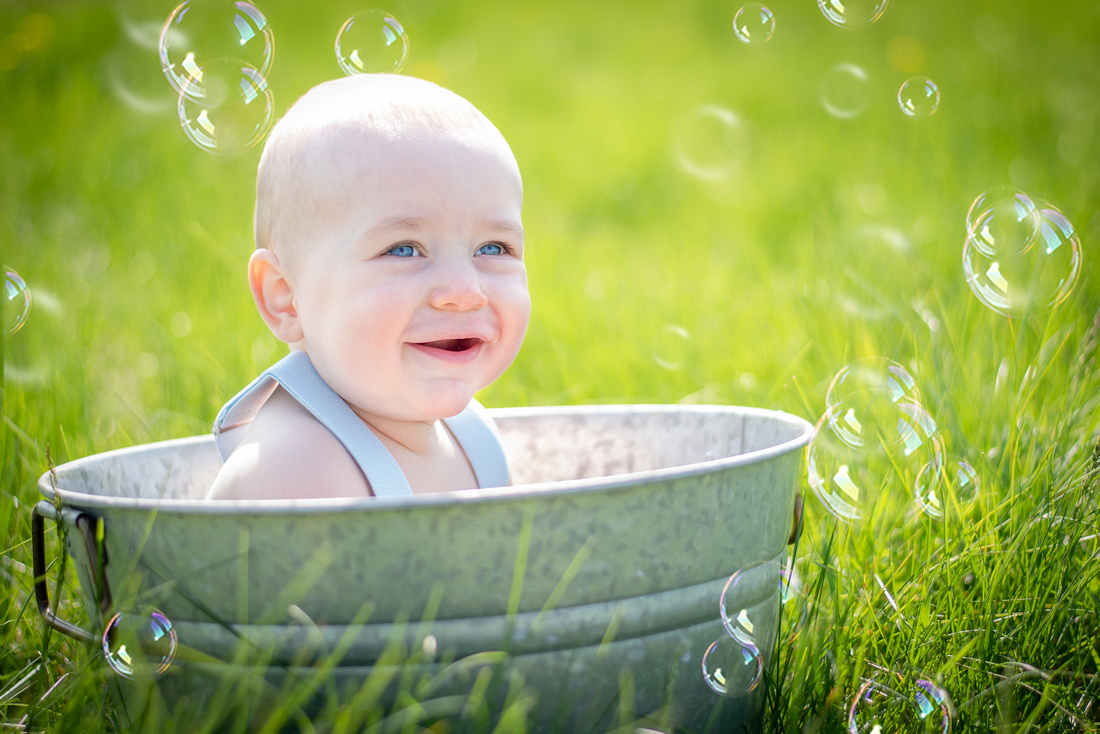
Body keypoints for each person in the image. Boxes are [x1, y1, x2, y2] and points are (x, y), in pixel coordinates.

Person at [205, 74, 529, 500]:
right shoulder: (297, 467)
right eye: (403, 250)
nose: (464, 291)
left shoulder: (476, 439)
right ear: (286, 297)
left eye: (493, 246)